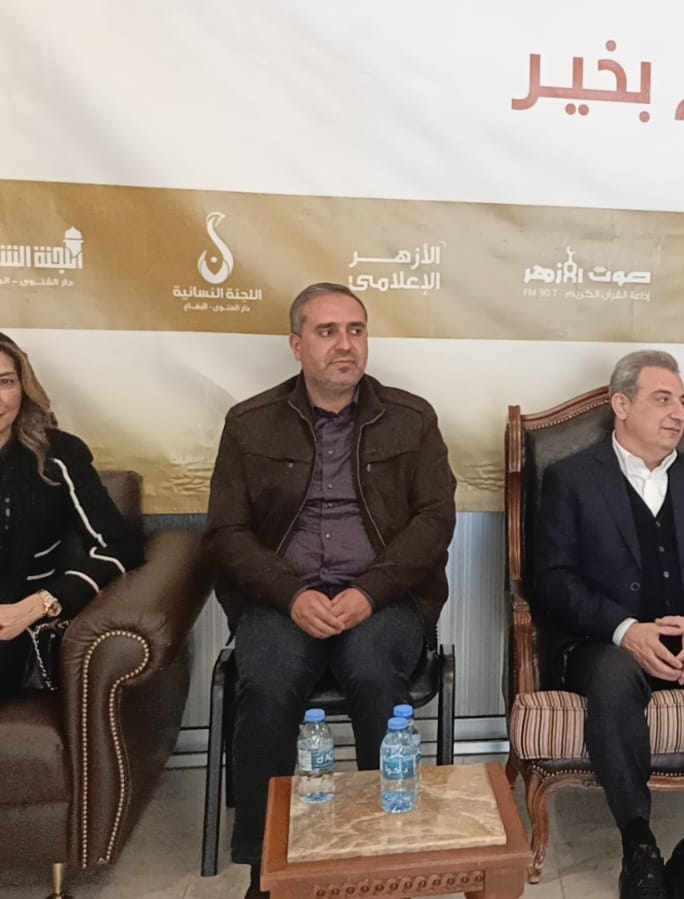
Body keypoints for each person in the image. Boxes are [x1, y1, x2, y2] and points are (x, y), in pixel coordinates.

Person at [205, 283, 456, 884]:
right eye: (327, 331)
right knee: (267, 687)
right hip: (282, 601)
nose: (345, 345)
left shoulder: (412, 418)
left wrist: (370, 591)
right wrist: (291, 595)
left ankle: (387, 858)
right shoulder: (250, 423)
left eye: (356, 330)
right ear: (296, 345)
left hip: (383, 599)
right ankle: (266, 870)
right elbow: (227, 533)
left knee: (373, 676)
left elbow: (434, 520)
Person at [535, 350, 684, 899]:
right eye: (662, 399)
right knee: (614, 677)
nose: (679, 413)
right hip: (605, 641)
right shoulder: (571, 478)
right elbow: (552, 579)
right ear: (621, 405)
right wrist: (625, 630)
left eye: (682, 401)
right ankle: (638, 847)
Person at [0, 332, 143, 697]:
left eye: (5, 382)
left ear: (23, 388)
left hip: (12, 625)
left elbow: (120, 545)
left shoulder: (57, 456)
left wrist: (40, 604)